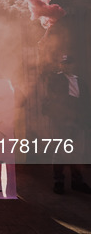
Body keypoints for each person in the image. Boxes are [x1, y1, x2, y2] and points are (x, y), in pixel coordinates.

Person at [45, 55, 91, 194]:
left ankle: (77, 181)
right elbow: (51, 92)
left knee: (77, 153)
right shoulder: (56, 79)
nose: (66, 66)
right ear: (60, 65)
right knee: (60, 152)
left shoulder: (80, 82)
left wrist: (85, 121)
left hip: (78, 121)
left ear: (73, 65)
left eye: (68, 63)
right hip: (62, 121)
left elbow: (86, 102)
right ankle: (58, 181)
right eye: (63, 63)